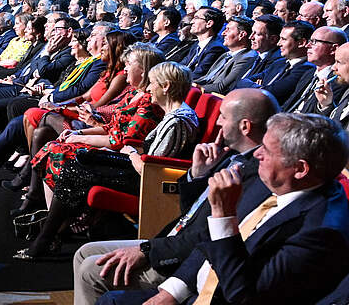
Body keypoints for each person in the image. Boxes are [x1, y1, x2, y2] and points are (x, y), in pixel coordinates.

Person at [101, 113, 349, 305]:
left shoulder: (322, 232)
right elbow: (209, 239)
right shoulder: (278, 183)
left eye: (268, 150)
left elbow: (244, 296)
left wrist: (223, 215)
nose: (257, 155)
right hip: (195, 290)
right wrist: (172, 292)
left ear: (301, 168)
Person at [71, 88, 280, 304]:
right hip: (172, 238)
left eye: (223, 117)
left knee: (91, 271)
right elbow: (189, 213)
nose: (217, 122)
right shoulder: (229, 155)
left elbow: (211, 234)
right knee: (84, 253)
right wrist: (197, 174)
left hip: (185, 259)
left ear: (245, 126)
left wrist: (146, 250)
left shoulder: (260, 174)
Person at [14, 60, 200, 260]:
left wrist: (130, 152)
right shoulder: (172, 115)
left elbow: (153, 168)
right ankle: (54, 233)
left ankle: (47, 237)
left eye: (153, 83)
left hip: (148, 183)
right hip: (137, 168)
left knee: (74, 169)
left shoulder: (178, 120)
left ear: (166, 86)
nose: (149, 88)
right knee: (76, 160)